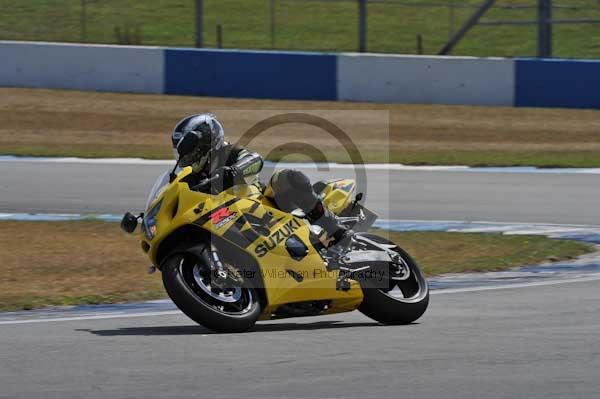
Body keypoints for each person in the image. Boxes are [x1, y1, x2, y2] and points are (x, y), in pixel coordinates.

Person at [171, 113, 350, 246]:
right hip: (223, 219)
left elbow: (255, 160)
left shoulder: (229, 152)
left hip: (261, 205)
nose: (186, 156)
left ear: (205, 143)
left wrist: (233, 171)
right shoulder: (191, 176)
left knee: (288, 177)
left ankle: (333, 227)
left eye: (189, 150)